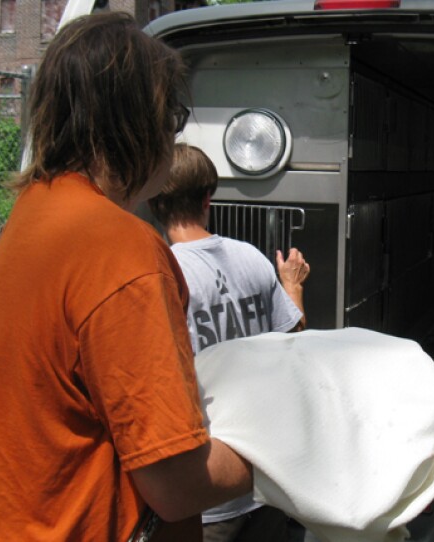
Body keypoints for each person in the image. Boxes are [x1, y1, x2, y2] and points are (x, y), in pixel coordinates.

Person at [0, 13, 251, 541]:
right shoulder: (120, 250)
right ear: (139, 119)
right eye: (174, 115)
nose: (175, 132)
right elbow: (175, 485)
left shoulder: (28, 219)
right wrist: (292, 451)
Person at [147, 143, 310, 541]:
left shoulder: (160, 274)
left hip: (205, 489)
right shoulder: (251, 258)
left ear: (153, 203)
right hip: (263, 478)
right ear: (207, 198)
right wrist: (292, 285)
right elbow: (296, 342)